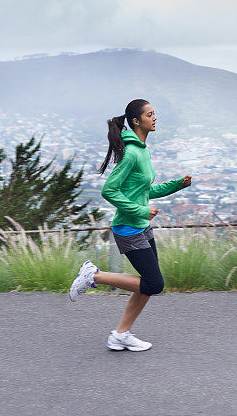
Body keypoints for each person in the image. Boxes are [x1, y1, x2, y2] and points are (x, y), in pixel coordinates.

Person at [68, 98, 191, 352]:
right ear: (136, 121)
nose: (155, 118)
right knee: (153, 284)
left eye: (154, 113)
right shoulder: (134, 153)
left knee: (147, 284)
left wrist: (177, 185)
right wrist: (142, 211)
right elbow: (109, 190)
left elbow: (145, 190)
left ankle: (120, 334)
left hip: (140, 226)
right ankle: (93, 275)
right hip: (128, 228)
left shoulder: (142, 150)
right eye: (149, 114)